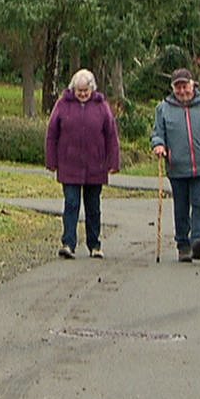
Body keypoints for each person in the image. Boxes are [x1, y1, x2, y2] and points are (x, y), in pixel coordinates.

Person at [151, 68, 200, 262]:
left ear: (193, 84)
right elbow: (158, 133)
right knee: (181, 207)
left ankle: (197, 240)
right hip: (177, 167)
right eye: (178, 87)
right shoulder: (163, 108)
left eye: (185, 86)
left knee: (199, 203)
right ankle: (183, 244)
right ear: (173, 88)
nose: (182, 91)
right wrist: (159, 145)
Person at [45, 68, 121, 259]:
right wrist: (51, 161)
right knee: (71, 204)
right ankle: (68, 243)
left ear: (92, 89)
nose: (83, 95)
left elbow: (111, 135)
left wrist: (113, 161)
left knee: (93, 207)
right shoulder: (63, 104)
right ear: (73, 89)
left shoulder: (101, 106)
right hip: (69, 164)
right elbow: (52, 133)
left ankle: (94, 245)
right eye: (79, 92)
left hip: (96, 166)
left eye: (86, 91)